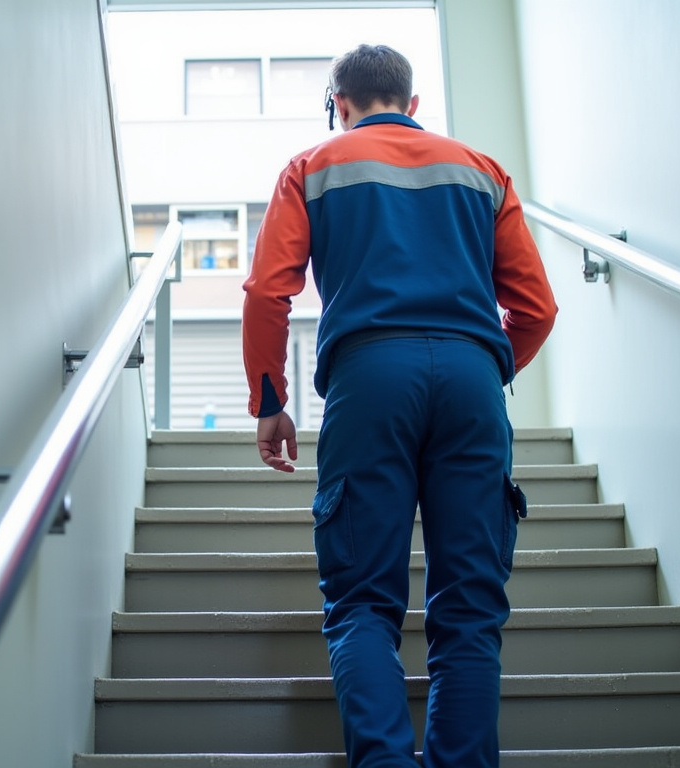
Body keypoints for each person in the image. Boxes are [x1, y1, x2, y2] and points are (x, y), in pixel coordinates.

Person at [241, 44, 558, 767]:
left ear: (339, 103)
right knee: (471, 612)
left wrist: (271, 399)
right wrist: (484, 363)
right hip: (473, 382)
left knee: (361, 605)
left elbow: (268, 292)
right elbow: (536, 309)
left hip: (368, 380)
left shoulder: (312, 166)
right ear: (413, 105)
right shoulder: (481, 172)